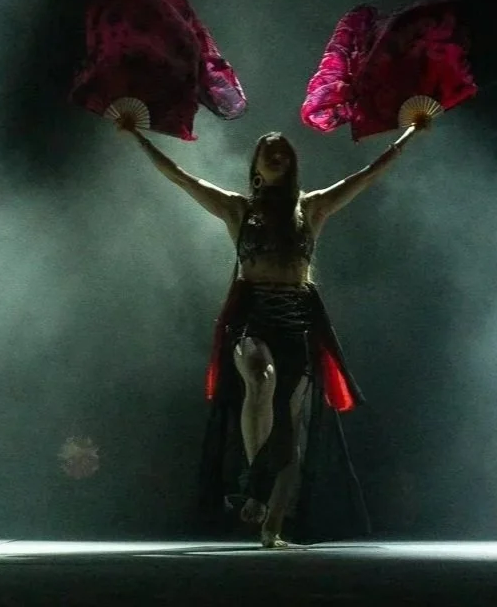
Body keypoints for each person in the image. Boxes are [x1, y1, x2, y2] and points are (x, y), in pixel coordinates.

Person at [127, 126, 419, 547]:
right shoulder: (237, 210)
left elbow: (368, 175)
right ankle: (254, 482)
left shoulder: (313, 208)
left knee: (288, 431)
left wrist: (409, 134)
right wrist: (139, 138)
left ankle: (272, 527)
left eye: (284, 150)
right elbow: (180, 176)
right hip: (254, 315)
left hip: (297, 319)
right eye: (269, 150)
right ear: (257, 164)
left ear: (293, 162)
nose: (277, 155)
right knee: (259, 379)